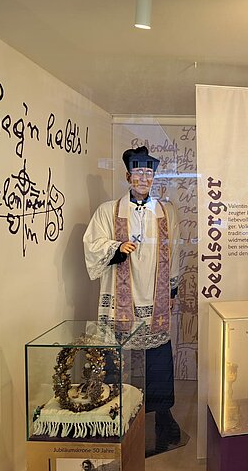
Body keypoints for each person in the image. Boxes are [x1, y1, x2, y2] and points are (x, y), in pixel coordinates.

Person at [83, 146, 181, 451]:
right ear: (128, 176)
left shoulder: (166, 212)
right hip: (121, 293)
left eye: (148, 174)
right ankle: (111, 410)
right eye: (137, 173)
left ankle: (162, 415)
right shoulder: (108, 211)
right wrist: (116, 247)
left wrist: (172, 290)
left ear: (153, 178)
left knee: (159, 355)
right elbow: (92, 243)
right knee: (114, 351)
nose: (143, 179)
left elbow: (176, 250)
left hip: (154, 293)